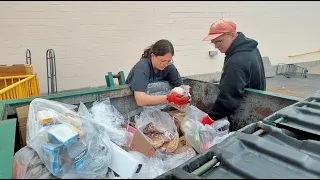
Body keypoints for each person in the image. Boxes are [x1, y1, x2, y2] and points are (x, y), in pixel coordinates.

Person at [200, 19, 266, 124]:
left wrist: (210, 119)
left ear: (232, 35)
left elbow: (228, 98)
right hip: (258, 104)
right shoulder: (249, 48)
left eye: (218, 41)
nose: (216, 46)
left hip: (246, 111)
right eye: (213, 42)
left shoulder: (237, 61)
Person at [126, 39, 190, 107]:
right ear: (153, 56)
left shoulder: (169, 67)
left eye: (168, 61)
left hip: (155, 108)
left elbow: (181, 86)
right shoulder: (142, 67)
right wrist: (169, 98)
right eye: (162, 61)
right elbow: (140, 100)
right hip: (133, 107)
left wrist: (186, 95)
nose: (165, 64)